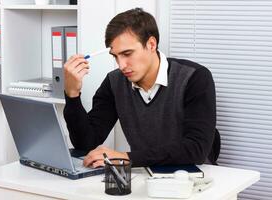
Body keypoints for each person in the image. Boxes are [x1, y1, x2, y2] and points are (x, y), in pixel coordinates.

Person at [63, 8, 217, 168]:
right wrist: (72, 94)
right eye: (116, 56)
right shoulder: (114, 82)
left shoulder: (194, 77)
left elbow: (196, 149)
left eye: (127, 54)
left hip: (195, 179)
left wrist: (126, 158)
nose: (121, 65)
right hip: (145, 176)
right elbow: (86, 143)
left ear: (151, 44)